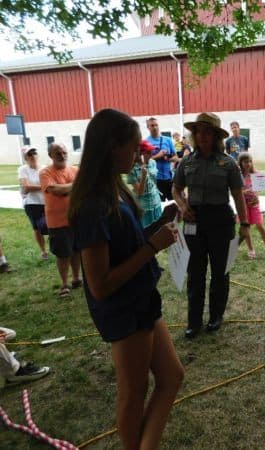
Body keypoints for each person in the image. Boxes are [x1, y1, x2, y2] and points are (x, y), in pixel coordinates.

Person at [69, 108, 184, 450]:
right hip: (123, 310)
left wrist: (157, 224)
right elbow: (101, 284)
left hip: (142, 299)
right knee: (133, 393)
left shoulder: (114, 190)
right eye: (133, 148)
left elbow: (127, 247)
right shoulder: (92, 205)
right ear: (110, 147)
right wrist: (152, 246)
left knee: (172, 377)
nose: (138, 155)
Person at [172, 112, 250, 339]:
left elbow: (238, 196)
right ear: (194, 135)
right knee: (195, 273)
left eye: (207, 131)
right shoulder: (187, 161)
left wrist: (244, 224)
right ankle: (193, 321)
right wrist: (182, 205)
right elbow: (176, 189)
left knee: (219, 272)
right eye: (198, 131)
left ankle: (216, 316)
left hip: (221, 221)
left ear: (216, 136)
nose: (202, 135)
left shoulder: (228, 163)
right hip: (193, 220)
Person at [39, 143, 81, 297]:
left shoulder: (75, 170)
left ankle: (76, 278)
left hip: (76, 219)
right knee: (63, 254)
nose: (62, 155)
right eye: (58, 153)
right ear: (50, 155)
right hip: (58, 221)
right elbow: (55, 190)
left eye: (64, 152)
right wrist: (75, 185)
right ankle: (64, 284)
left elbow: (81, 189)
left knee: (76, 251)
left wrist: (67, 188)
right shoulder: (45, 173)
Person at [238, 153, 265, 259]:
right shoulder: (238, 176)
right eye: (246, 162)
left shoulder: (255, 174)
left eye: (250, 161)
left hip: (255, 204)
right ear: (241, 163)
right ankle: (251, 249)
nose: (248, 164)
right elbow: (237, 192)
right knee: (247, 227)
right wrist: (247, 191)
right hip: (243, 205)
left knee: (260, 225)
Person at [18, 147, 48, 259]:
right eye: (29, 154)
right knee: (37, 229)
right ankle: (44, 251)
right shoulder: (23, 169)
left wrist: (33, 187)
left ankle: (56, 247)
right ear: (26, 158)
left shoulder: (45, 168)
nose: (33, 155)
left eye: (34, 152)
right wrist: (45, 187)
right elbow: (26, 187)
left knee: (52, 225)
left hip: (47, 201)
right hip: (32, 203)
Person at [127, 139, 163, 228]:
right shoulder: (132, 169)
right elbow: (140, 192)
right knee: (147, 233)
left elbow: (154, 182)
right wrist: (143, 175)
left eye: (152, 151)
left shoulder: (153, 163)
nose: (152, 154)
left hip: (156, 202)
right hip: (144, 208)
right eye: (148, 152)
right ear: (140, 153)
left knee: (159, 229)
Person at [146, 117, 177, 201]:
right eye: (152, 125)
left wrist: (168, 158)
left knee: (174, 203)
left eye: (156, 125)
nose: (155, 127)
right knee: (159, 205)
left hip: (169, 178)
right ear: (148, 127)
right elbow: (144, 162)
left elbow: (175, 157)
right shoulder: (146, 142)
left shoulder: (167, 140)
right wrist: (158, 156)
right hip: (155, 180)